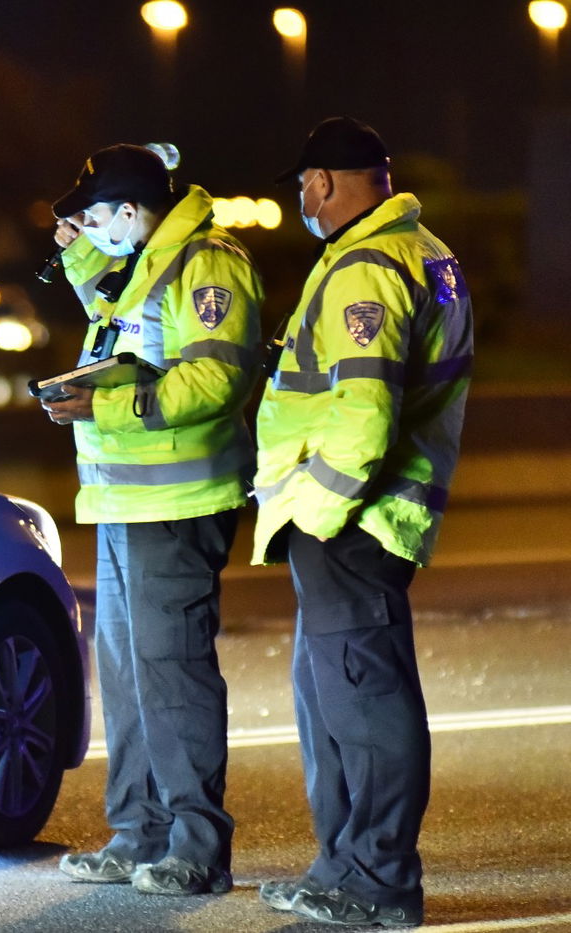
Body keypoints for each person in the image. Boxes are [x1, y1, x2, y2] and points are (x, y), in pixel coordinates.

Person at [254, 117, 473, 928]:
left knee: (364, 700)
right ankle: (342, 865)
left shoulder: (365, 265)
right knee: (329, 694)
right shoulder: (424, 252)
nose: (302, 200)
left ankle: (379, 879)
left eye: (302, 187)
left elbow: (365, 409)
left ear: (320, 183)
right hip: (368, 511)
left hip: (352, 517)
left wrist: (320, 508)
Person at [42, 144, 262, 896]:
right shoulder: (146, 259)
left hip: (179, 500)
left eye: (97, 215)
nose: (92, 228)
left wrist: (104, 403)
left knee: (173, 677)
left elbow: (217, 374)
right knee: (130, 677)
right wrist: (78, 258)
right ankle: (139, 833)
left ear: (132, 209)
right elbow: (116, 322)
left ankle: (197, 847)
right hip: (124, 500)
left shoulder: (208, 262)